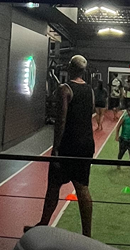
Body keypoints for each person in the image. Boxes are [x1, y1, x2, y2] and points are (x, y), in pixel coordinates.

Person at [26, 55, 96, 237]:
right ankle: (87, 234)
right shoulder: (89, 90)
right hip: (86, 143)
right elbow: (91, 111)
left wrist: (56, 147)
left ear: (70, 68)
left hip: (69, 144)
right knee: (82, 187)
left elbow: (61, 120)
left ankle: (43, 224)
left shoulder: (65, 89)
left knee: (54, 185)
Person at [117, 98, 130, 166]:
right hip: (123, 139)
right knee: (121, 153)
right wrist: (117, 135)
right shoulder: (124, 118)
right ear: (127, 110)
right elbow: (118, 126)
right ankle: (118, 163)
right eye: (129, 111)